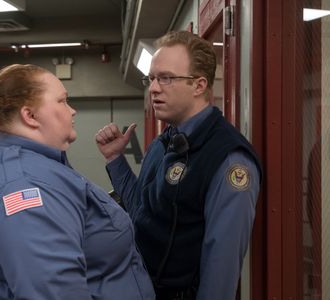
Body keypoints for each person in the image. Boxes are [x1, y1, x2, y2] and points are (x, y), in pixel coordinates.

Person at [0, 64, 155, 300]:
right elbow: (52, 292)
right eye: (62, 101)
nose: (72, 111)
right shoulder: (23, 186)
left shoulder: (40, 164)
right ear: (30, 116)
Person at [95, 31, 262, 300]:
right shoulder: (165, 142)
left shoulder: (229, 159)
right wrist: (116, 159)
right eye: (151, 79)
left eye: (166, 78)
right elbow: (142, 210)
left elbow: (222, 262)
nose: (154, 88)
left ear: (198, 85)